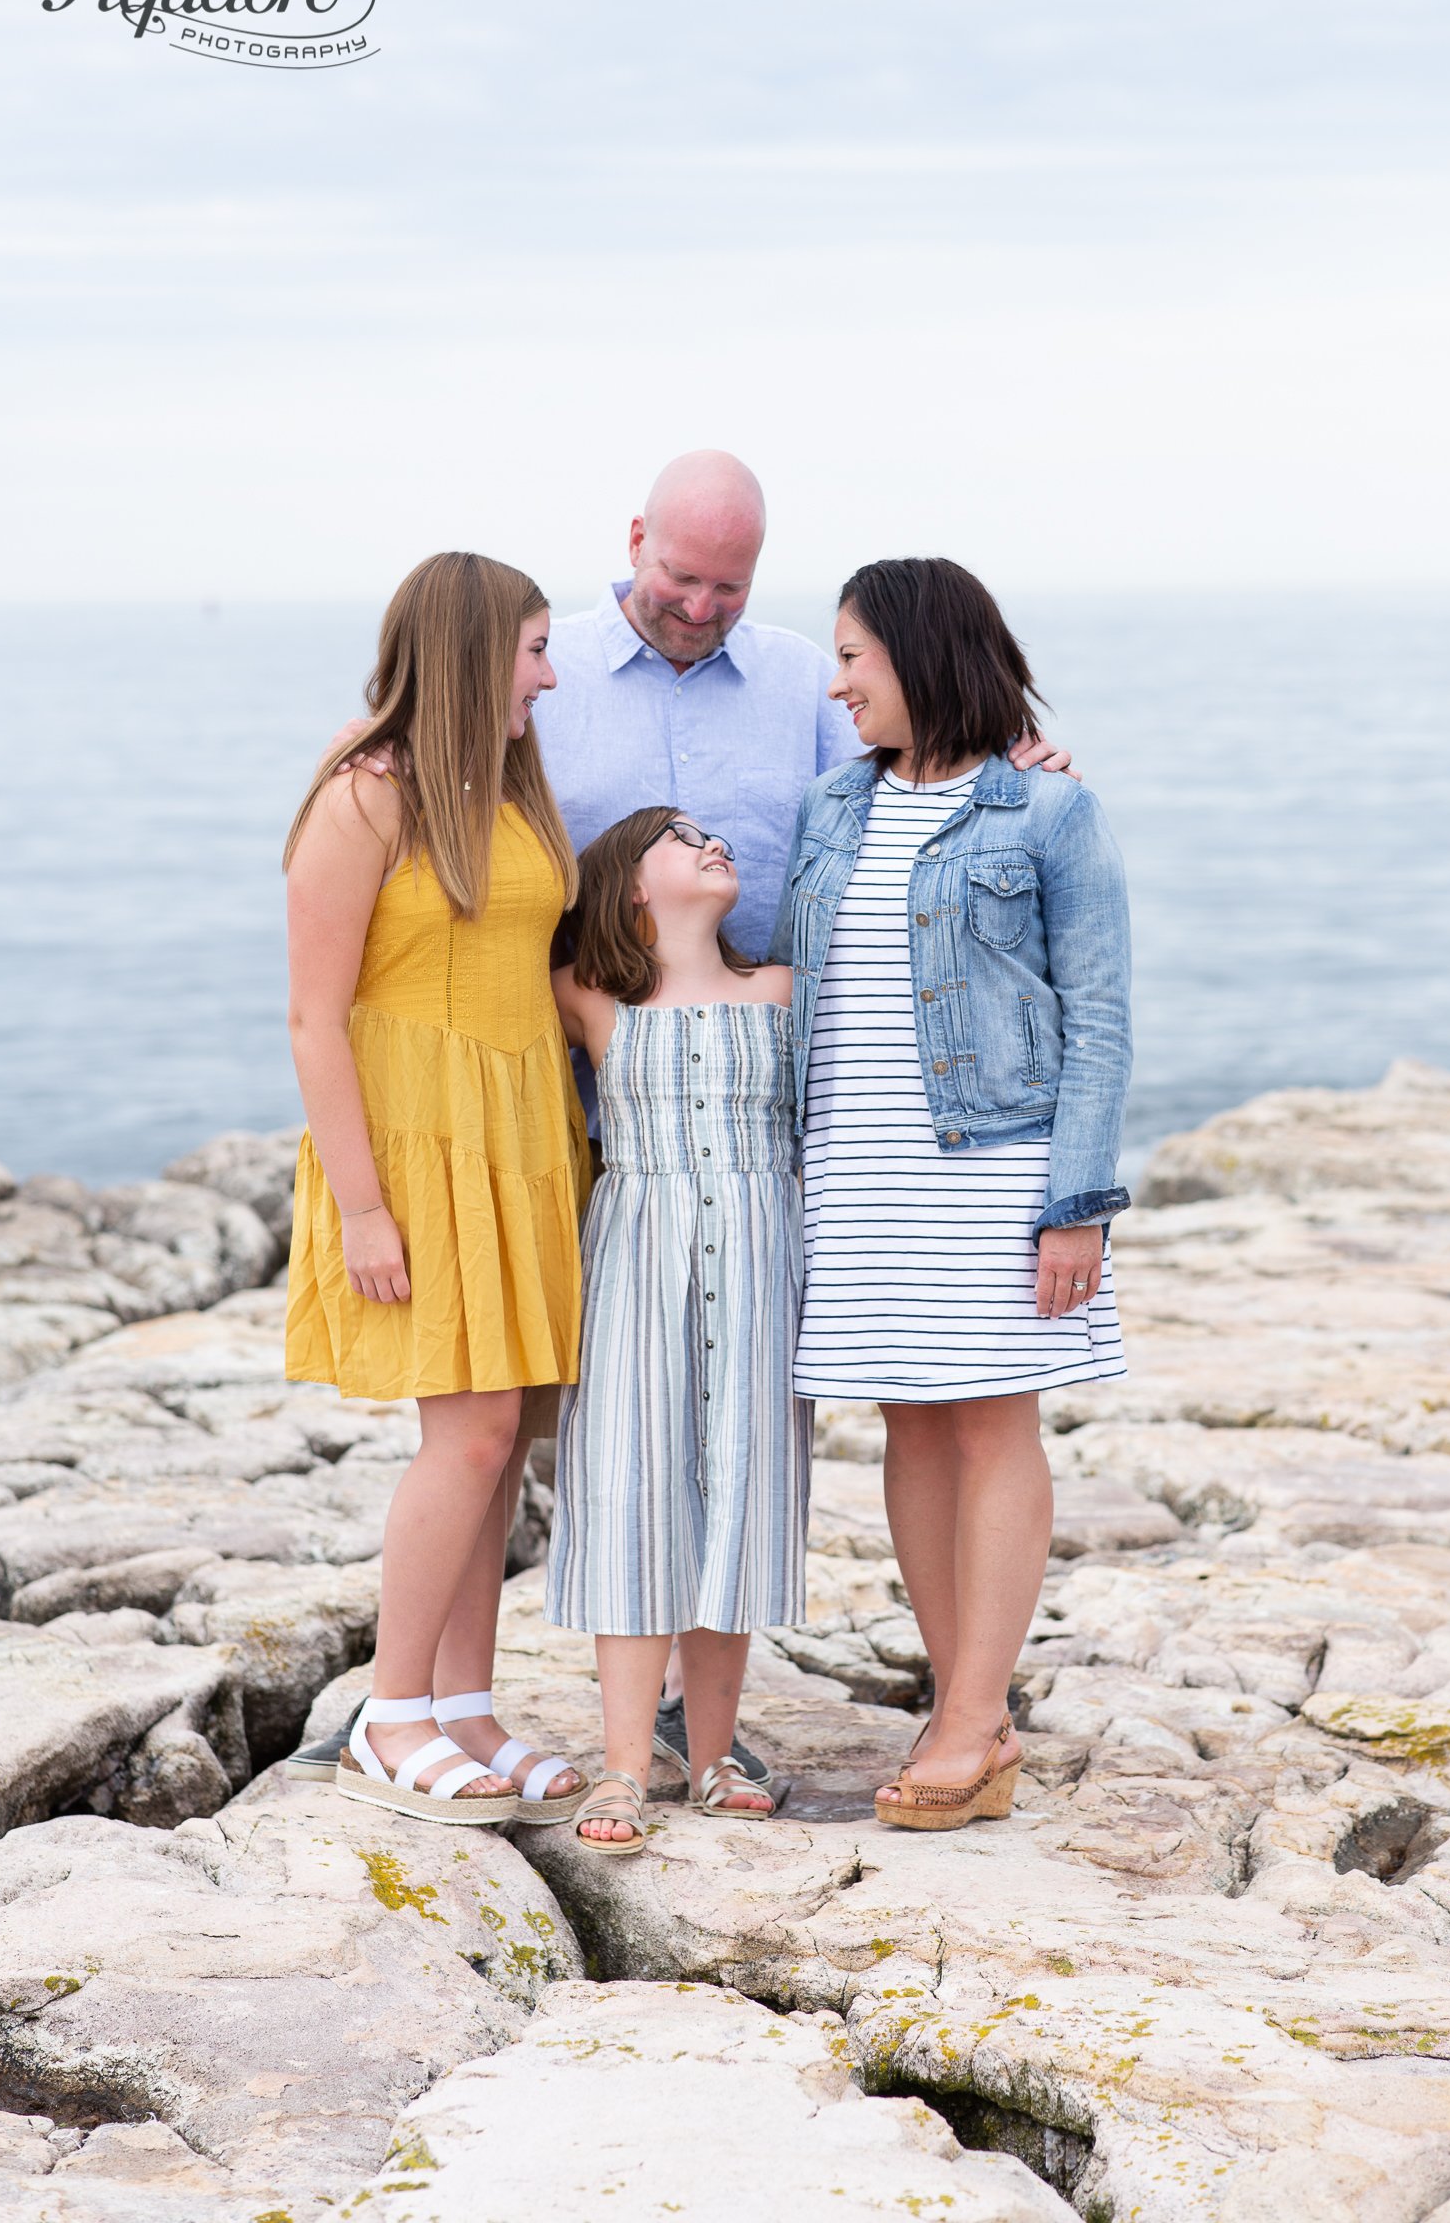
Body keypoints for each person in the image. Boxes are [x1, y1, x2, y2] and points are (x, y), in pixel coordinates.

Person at [287, 450, 1080, 1786]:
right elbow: (337, 996)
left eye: (731, 584)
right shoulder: (446, 751)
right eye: (679, 576)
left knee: (602, 1421)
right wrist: (366, 1187)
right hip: (543, 1123)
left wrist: (1012, 769)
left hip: (665, 1124)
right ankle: (409, 1708)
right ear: (634, 537)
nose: (703, 605)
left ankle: (518, 1708)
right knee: (510, 1430)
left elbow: (907, 773)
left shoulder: (750, 697)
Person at [771, 557, 1131, 1832]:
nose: (837, 682)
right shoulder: (830, 806)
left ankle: (974, 1723)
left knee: (990, 1426)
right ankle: (961, 1704)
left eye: (854, 657)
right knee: (908, 1423)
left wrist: (1076, 1202)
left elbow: (1097, 1015)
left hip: (993, 1167)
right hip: (855, 1168)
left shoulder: (1046, 816)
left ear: (919, 657)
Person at [283, 551, 588, 1826]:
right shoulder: (364, 799)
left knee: (502, 1436)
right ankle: (390, 1711)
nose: (550, 672)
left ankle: (466, 1705)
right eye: (531, 649)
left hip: (521, 1138)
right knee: (463, 1434)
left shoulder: (503, 789)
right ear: (471, 654)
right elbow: (311, 1019)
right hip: (417, 1151)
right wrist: (361, 1207)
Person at [548, 808, 807, 1853]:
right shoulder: (590, 1000)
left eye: (717, 838)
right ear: (632, 886)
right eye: (682, 838)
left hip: (757, 1254)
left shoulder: (781, 992)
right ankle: (622, 1763)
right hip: (637, 1256)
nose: (715, 846)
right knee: (635, 1488)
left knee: (738, 1483)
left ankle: (711, 1754)